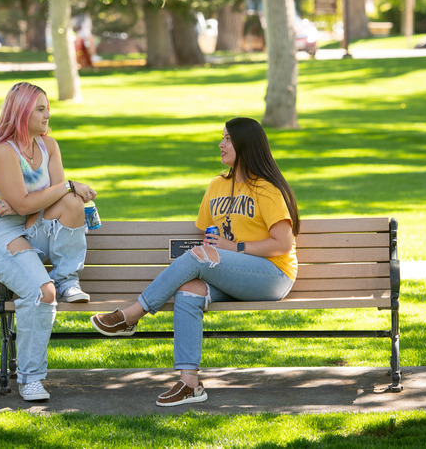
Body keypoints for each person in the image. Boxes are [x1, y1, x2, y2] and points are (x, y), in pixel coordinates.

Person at [90, 117, 300, 407]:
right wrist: (219, 249)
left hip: (272, 275)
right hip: (235, 274)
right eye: (222, 138)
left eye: (227, 139)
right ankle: (189, 383)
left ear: (245, 145)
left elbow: (282, 243)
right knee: (190, 288)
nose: (221, 144)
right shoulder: (216, 185)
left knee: (199, 257)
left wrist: (233, 247)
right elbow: (208, 231)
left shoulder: (266, 189)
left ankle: (133, 314)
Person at [0, 82, 96, 402]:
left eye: (48, 107)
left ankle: (67, 279)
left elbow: (54, 198)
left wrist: (28, 201)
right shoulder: (2, 151)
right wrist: (64, 186)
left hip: (28, 219)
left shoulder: (48, 145)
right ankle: (30, 378)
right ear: (21, 113)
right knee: (41, 291)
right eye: (40, 108)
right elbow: (51, 192)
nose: (47, 113)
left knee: (73, 205)